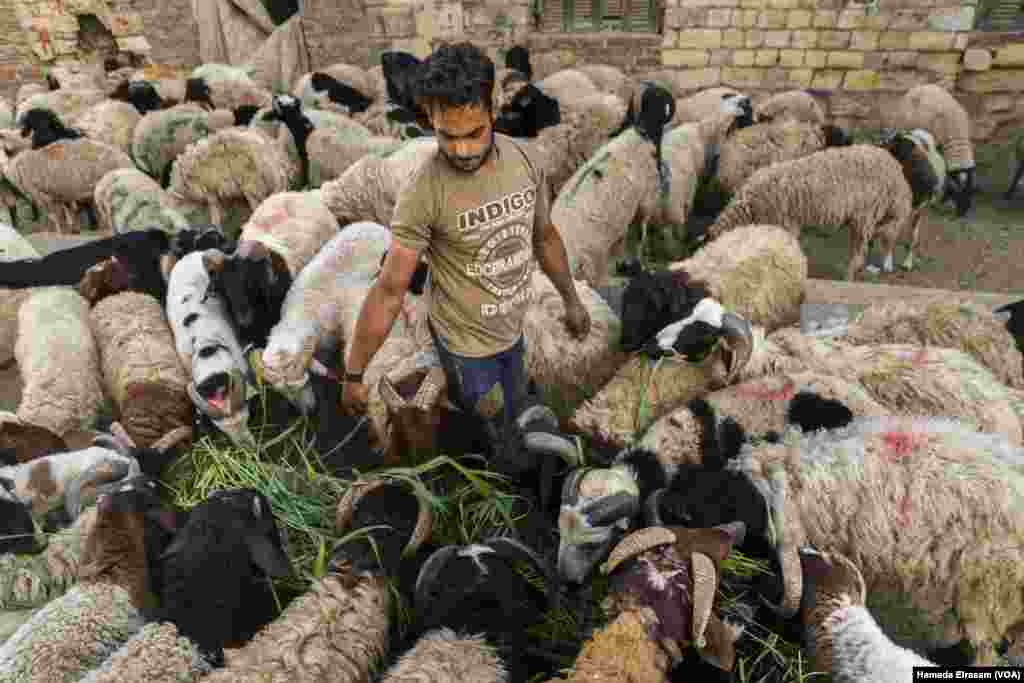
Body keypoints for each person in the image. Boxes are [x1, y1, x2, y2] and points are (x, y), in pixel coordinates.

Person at [339, 41, 591, 477]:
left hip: (514, 325)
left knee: (514, 404)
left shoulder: (527, 161)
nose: (461, 151)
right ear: (430, 123)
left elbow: (544, 234)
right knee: (491, 429)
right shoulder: (423, 192)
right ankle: (495, 485)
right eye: (446, 136)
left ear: (492, 108)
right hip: (466, 347)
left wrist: (571, 298)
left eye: (473, 133)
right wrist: (354, 372)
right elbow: (390, 287)